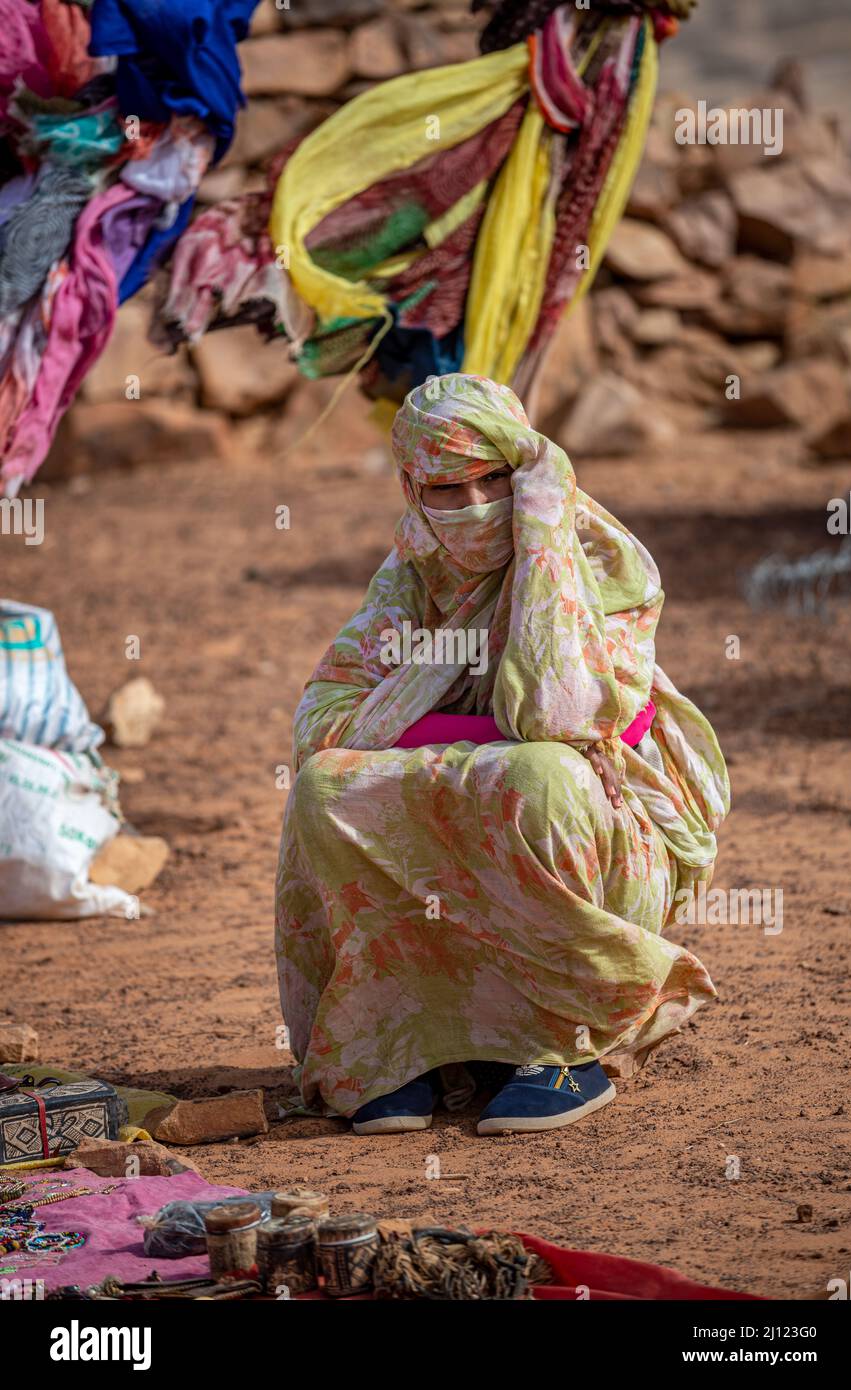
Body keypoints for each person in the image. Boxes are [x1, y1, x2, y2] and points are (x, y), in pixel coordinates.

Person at [275, 372, 729, 1136]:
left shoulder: (604, 566)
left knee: (538, 775)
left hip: (610, 835)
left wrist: (545, 529)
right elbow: (321, 724)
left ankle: (561, 1042)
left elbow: (557, 714)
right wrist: (468, 753)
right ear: (411, 487)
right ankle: (404, 1047)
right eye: (450, 489)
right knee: (324, 786)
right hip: (467, 825)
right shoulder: (411, 579)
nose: (478, 505)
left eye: (498, 479)